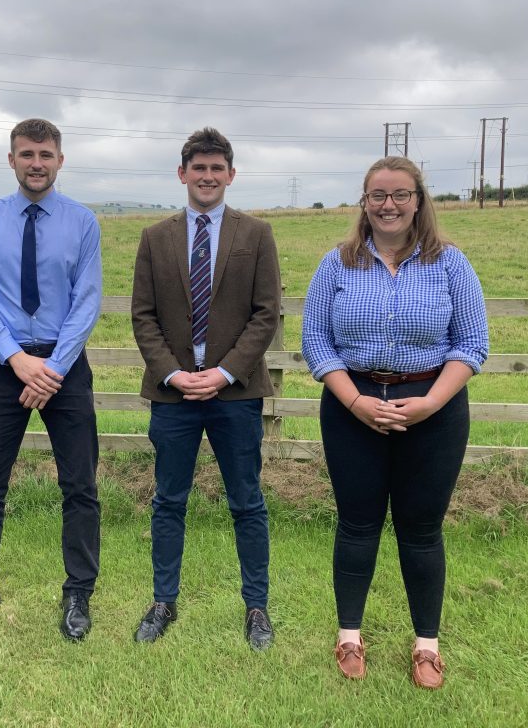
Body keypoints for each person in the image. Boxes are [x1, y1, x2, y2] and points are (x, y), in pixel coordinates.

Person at [301, 156, 488, 688]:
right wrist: (357, 402)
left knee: (422, 530)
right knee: (357, 524)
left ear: (418, 201)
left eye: (400, 195)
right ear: (364, 202)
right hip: (351, 406)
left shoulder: (450, 264)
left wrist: (430, 402)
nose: (389, 205)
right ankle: (349, 636)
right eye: (378, 195)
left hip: (433, 409)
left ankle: (426, 645)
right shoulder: (336, 264)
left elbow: (471, 343)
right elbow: (317, 342)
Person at [130, 127, 281, 650]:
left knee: (248, 502)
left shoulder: (256, 234)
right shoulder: (155, 237)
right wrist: (174, 374)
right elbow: (143, 316)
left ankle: (257, 608)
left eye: (218, 168)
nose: (208, 176)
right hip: (173, 397)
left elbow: (265, 316)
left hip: (235, 396)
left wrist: (222, 373)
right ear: (182, 174)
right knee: (169, 501)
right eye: (199, 168)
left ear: (231, 175)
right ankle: (162, 602)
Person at [0, 118, 102, 642]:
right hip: (4, 366)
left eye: (45, 154)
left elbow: (86, 302)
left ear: (60, 160)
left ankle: (79, 591)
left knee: (80, 485)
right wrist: (17, 359)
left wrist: (53, 370)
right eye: (26, 154)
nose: (35, 163)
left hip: (65, 365)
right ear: (12, 160)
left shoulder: (83, 222)